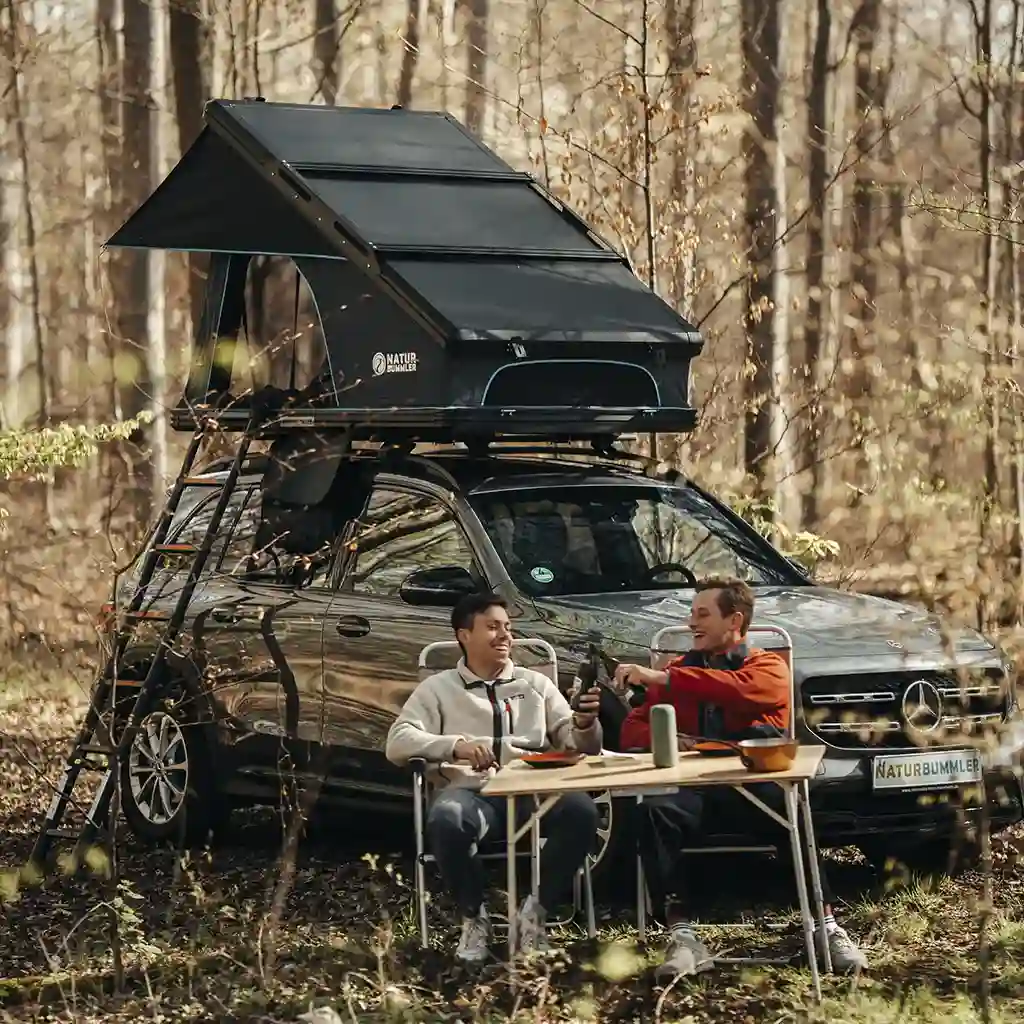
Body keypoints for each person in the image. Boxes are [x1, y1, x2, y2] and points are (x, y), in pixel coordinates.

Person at [614, 577, 868, 980]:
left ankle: (825, 926)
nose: (691, 622)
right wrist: (677, 738)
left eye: (702, 614)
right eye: (691, 613)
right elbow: (632, 729)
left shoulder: (765, 665)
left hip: (753, 789)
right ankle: (681, 933)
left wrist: (666, 680)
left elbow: (746, 692)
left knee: (795, 807)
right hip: (696, 790)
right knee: (656, 809)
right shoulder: (681, 670)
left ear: (734, 620)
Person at [386, 592, 603, 963]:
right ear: (464, 635)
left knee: (582, 812)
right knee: (447, 819)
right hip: (474, 795)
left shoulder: (535, 684)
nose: (505, 636)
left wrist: (585, 723)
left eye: (508, 628)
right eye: (492, 627)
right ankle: (475, 918)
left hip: (535, 794)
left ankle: (534, 915)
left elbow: (577, 742)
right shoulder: (438, 689)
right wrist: (456, 746)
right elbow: (397, 742)